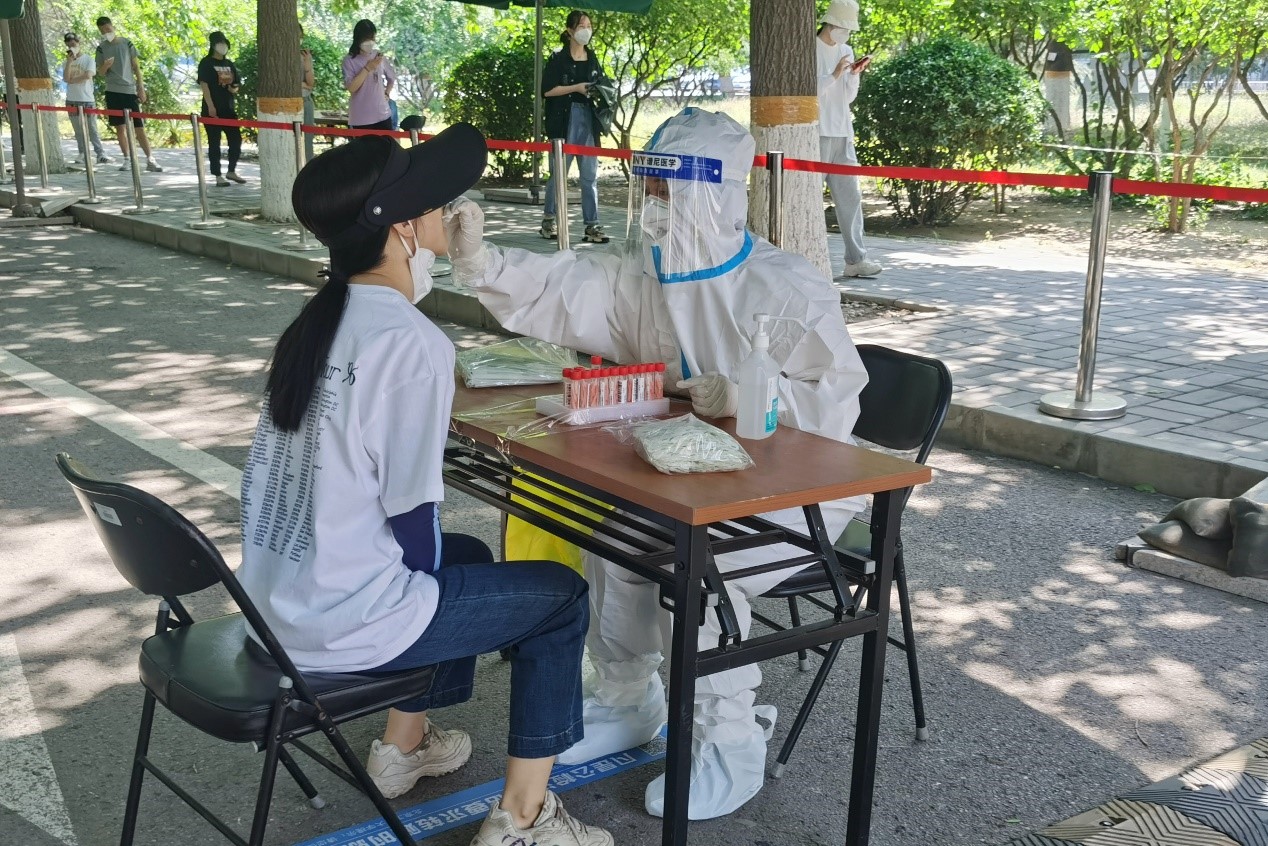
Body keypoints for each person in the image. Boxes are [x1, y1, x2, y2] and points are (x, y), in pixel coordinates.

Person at [443, 107, 869, 821]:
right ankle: (627, 698)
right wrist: (483, 263)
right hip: (689, 474)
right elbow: (569, 290)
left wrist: (753, 397)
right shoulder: (650, 274)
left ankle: (728, 741)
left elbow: (838, 404)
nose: (657, 205)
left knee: (693, 572)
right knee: (617, 545)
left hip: (796, 493)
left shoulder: (784, 286)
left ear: (716, 194)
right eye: (651, 187)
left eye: (671, 190)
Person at [235, 126, 612, 846]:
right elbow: (412, 518)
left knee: (467, 555)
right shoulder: (411, 342)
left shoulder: (318, 322)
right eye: (432, 203)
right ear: (401, 229)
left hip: (277, 607)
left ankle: (403, 747)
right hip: (342, 626)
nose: (447, 210)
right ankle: (524, 818)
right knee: (561, 599)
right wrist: (421, 591)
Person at [817, 0, 882, 278]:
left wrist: (853, 75)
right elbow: (809, 91)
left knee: (851, 198)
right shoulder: (809, 48)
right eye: (843, 27)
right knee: (811, 199)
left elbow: (848, 97)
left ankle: (856, 260)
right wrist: (834, 74)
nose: (846, 33)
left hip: (843, 133)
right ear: (830, 23)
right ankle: (810, 259)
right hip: (818, 133)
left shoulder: (846, 50)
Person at [539, 10, 609, 245]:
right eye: (581, 26)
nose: (586, 31)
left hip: (588, 120)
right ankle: (549, 220)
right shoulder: (558, 58)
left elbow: (602, 85)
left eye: (589, 26)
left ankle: (592, 224)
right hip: (563, 121)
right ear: (569, 30)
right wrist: (576, 87)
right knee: (558, 174)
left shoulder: (592, 58)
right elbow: (547, 90)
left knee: (589, 175)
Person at [94, 16, 162, 172]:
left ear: (113, 26)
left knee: (139, 126)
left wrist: (140, 87)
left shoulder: (126, 43)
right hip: (112, 91)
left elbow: (136, 67)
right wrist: (106, 65)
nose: (106, 32)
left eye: (108, 29)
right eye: (103, 31)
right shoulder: (101, 48)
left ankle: (150, 159)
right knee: (120, 127)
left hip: (129, 90)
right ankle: (127, 159)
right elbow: (101, 72)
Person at [198, 31, 245, 187]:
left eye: (224, 43)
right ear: (213, 45)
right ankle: (217, 175)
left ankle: (231, 170)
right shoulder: (206, 63)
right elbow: (204, 85)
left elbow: (236, 85)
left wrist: (233, 88)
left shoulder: (229, 64)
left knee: (236, 140)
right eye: (220, 43)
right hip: (212, 109)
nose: (223, 46)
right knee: (214, 142)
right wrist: (210, 106)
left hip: (228, 109)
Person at [61, 32, 110, 165]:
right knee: (78, 131)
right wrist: (70, 62)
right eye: (69, 45)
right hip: (72, 99)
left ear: (78, 43)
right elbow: (65, 78)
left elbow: (88, 75)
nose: (72, 47)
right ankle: (82, 152)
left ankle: (100, 153)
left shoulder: (88, 59)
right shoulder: (66, 62)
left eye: (74, 44)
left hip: (87, 99)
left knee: (92, 129)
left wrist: (72, 80)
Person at [342, 20, 395, 131]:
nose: (370, 42)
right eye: (367, 39)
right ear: (358, 39)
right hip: (360, 119)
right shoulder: (349, 60)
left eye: (373, 38)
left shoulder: (378, 56)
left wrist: (387, 92)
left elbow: (391, 77)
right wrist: (367, 68)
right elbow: (352, 87)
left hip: (382, 115)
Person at [300, 24, 316, 161]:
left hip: (305, 102)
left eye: (300, 36)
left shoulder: (304, 56)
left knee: (307, 144)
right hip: (288, 104)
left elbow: (310, 85)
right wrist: (301, 84)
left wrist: (308, 64)